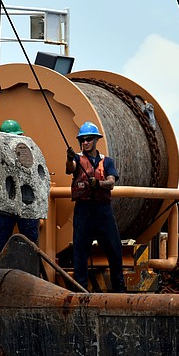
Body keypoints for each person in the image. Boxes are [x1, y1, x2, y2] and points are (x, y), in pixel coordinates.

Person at [66, 121, 126, 292]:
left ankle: (119, 289)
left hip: (103, 211)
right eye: (82, 140)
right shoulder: (77, 159)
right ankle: (81, 290)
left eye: (88, 139)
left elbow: (111, 182)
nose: (85, 142)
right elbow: (70, 168)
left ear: (96, 140)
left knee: (114, 249)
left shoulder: (107, 162)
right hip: (83, 210)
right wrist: (69, 158)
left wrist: (98, 184)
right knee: (80, 251)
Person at [0, 119, 40, 266]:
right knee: (3, 244)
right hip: (6, 205)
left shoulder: (28, 152)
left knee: (30, 244)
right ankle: (0, 275)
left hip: (25, 203)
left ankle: (31, 274)